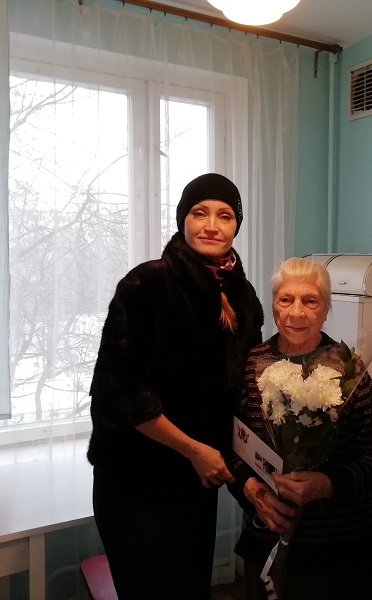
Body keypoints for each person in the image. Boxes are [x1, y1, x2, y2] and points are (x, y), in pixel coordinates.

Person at [87, 173, 264, 599]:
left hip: (196, 482)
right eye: (200, 213)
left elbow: (244, 393)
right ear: (183, 219)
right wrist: (195, 450)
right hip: (135, 480)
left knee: (190, 588)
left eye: (224, 216)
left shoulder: (244, 298)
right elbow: (122, 395)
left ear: (236, 225)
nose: (211, 225)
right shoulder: (146, 284)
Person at [227, 257, 372, 600]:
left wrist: (328, 485)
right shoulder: (252, 364)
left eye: (310, 300)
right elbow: (234, 447)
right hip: (266, 538)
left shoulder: (348, 368)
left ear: (326, 309)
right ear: (273, 305)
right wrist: (254, 492)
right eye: (285, 299)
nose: (296, 312)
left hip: (338, 550)